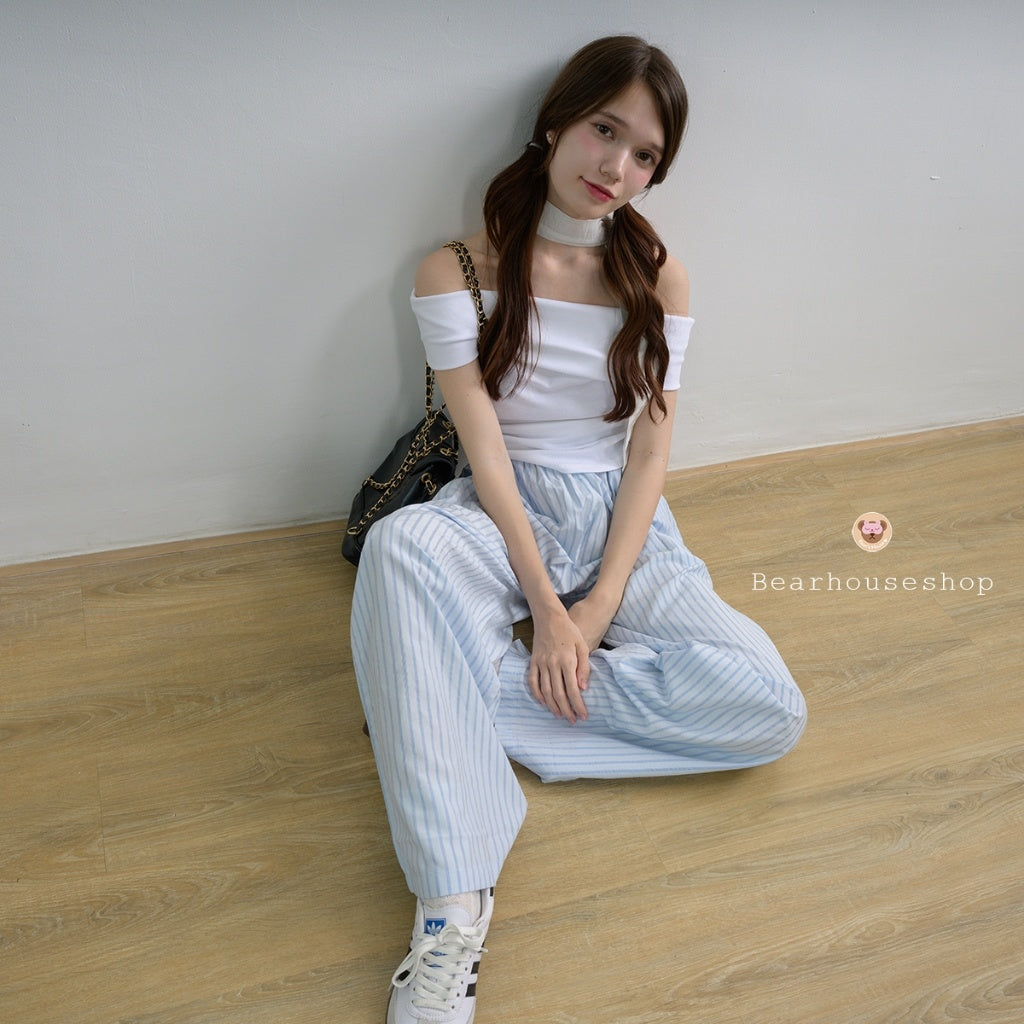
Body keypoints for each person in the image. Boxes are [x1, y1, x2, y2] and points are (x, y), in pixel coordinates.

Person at [351, 35, 807, 1024]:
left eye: (645, 155)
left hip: (621, 519)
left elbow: (648, 453)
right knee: (401, 549)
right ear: (557, 121)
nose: (617, 167)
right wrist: (545, 611)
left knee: (770, 707)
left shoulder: (659, 277)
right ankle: (453, 905)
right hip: (503, 508)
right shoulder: (458, 268)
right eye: (605, 131)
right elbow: (485, 451)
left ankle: (431, 699)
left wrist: (593, 610)